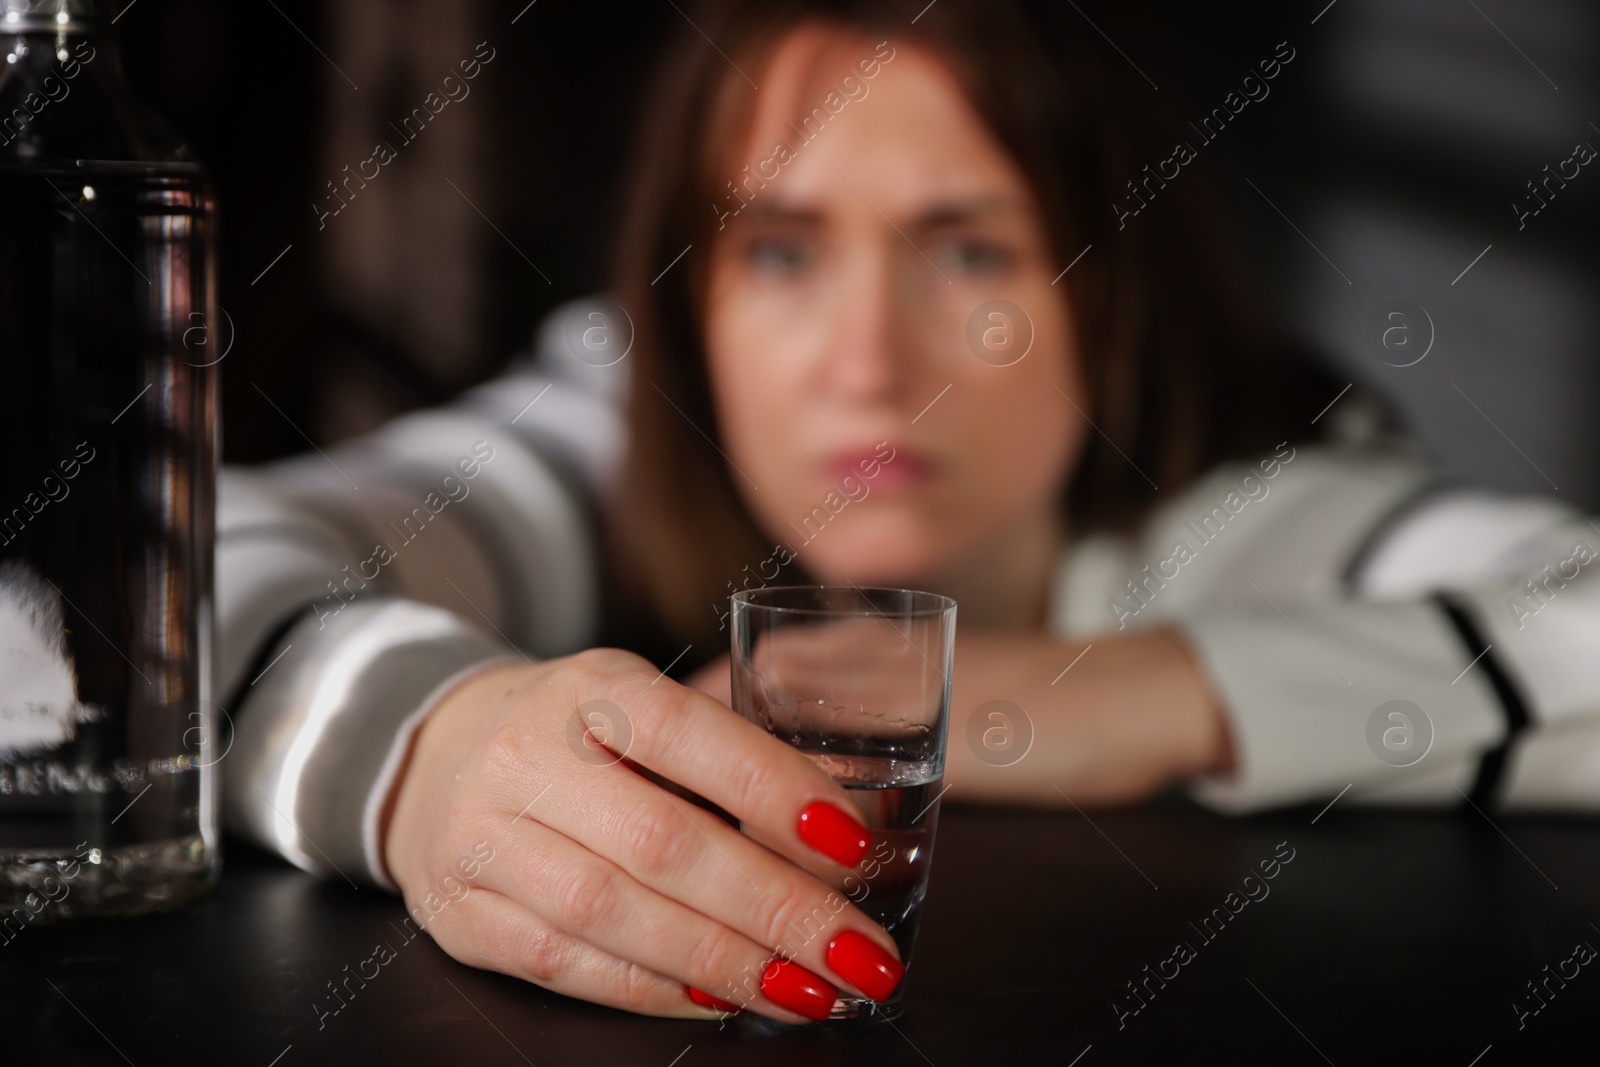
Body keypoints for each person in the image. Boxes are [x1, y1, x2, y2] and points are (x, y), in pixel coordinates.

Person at [217, 0, 1600, 1026]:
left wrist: (1155, 689)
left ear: (1106, 298)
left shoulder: (1255, 518)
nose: (869, 363)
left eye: (968, 250)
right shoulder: (614, 431)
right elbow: (126, 594)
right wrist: (420, 752)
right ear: (691, 309)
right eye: (780, 251)